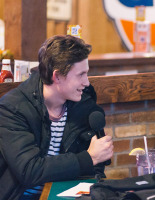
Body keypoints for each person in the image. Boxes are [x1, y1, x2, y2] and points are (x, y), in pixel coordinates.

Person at [0, 35, 114, 200]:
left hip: (68, 194)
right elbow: (29, 170)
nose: (87, 82)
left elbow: (96, 164)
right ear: (57, 76)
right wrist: (88, 158)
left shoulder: (84, 102)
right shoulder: (13, 108)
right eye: (80, 75)